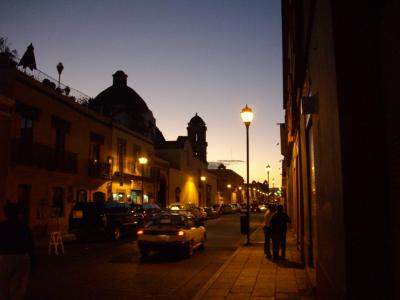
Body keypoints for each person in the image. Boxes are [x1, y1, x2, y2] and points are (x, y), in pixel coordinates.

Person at [0, 202, 35, 300]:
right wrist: (32, 261)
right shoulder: (24, 227)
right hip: (22, 257)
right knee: (18, 286)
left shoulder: (2, 227)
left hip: (5, 257)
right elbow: (30, 245)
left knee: (3, 284)